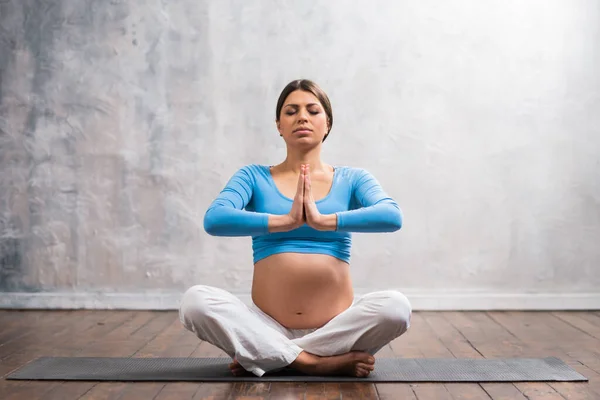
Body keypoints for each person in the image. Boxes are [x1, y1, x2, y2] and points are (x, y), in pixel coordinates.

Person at [179, 79, 411, 378]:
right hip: (265, 325)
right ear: (279, 125)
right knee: (195, 302)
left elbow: (391, 216)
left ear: (327, 123)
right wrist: (284, 221)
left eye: (312, 110)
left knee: (395, 307)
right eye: (291, 111)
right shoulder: (253, 176)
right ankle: (313, 362)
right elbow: (215, 219)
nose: (302, 116)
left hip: (336, 329)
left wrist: (324, 220)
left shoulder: (353, 178)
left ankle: (268, 355)